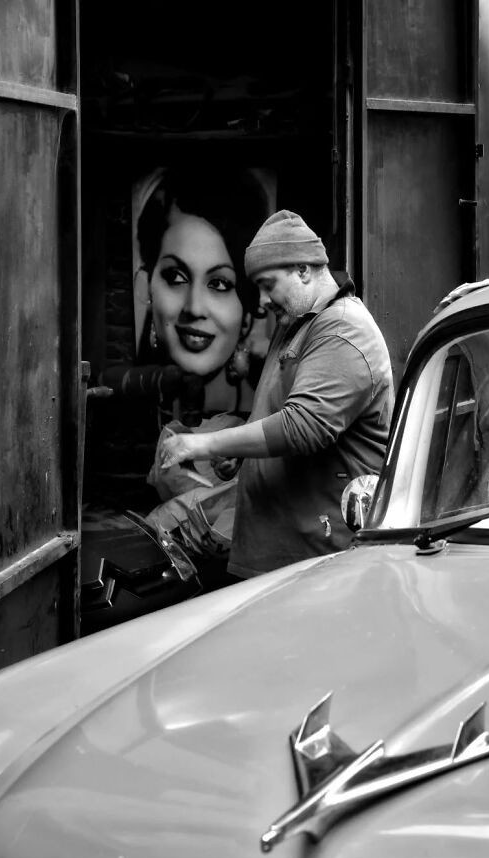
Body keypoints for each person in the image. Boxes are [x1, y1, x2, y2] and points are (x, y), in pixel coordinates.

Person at [157, 209, 394, 577]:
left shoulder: (343, 330)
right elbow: (278, 406)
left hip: (319, 562)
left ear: (303, 270)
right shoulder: (297, 323)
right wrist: (240, 453)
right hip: (280, 553)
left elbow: (302, 426)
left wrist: (202, 445)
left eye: (268, 285)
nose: (263, 300)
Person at [135, 167, 271, 420]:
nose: (194, 308)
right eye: (176, 277)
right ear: (147, 285)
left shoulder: (272, 417)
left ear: (247, 302)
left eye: (219, 283)